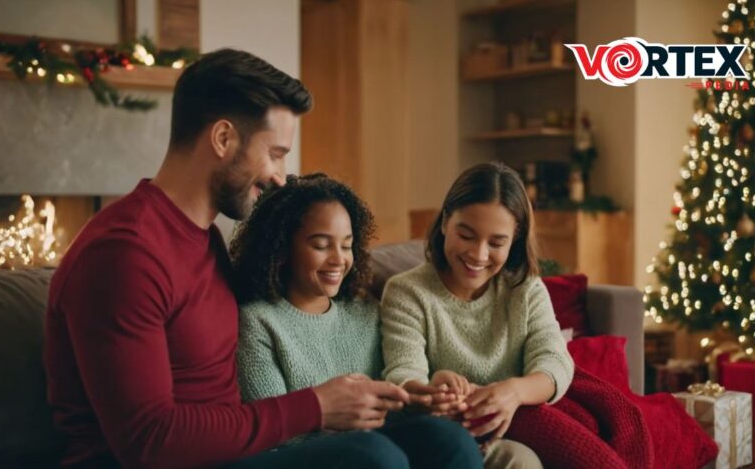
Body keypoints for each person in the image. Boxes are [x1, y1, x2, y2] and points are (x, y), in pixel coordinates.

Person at [44, 49, 413, 469]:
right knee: (370, 458)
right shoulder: (124, 254)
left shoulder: (204, 238)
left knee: (441, 440)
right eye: (275, 153)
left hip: (235, 455)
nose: (280, 176)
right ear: (223, 139)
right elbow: (148, 442)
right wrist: (315, 406)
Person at [228, 173, 483, 469]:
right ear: (281, 249)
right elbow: (274, 434)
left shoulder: (366, 311)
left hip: (377, 446)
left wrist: (425, 400)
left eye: (346, 245)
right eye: (322, 245)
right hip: (312, 457)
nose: (339, 260)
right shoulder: (258, 322)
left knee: (450, 438)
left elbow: (397, 404)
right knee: (376, 454)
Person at [380, 161, 575, 468]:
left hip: (510, 430)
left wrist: (513, 392)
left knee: (520, 460)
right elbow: (403, 374)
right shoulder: (407, 292)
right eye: (467, 235)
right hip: (440, 435)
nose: (479, 255)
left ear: (515, 240)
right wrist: (434, 392)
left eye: (496, 243)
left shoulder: (525, 290)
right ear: (445, 222)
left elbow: (555, 364)